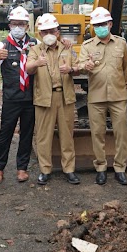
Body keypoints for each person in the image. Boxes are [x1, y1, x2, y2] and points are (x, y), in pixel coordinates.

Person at [78, 7, 127, 186]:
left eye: (102, 24)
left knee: (121, 134)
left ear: (110, 24)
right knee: (97, 134)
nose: (100, 27)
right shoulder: (87, 46)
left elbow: (126, 68)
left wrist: (126, 89)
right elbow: (79, 66)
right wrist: (86, 65)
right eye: (96, 25)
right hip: (96, 96)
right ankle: (100, 168)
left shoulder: (121, 43)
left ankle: (120, 168)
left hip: (118, 96)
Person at [26, 14, 80, 185]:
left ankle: (69, 169)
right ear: (40, 34)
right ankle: (45, 170)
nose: (48, 34)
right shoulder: (35, 50)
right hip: (44, 98)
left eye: (51, 30)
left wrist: (71, 69)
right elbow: (28, 68)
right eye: (44, 32)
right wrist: (36, 63)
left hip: (65, 97)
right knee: (43, 136)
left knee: (67, 135)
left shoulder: (67, 48)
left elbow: (79, 68)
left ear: (57, 32)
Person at [0, 6, 37, 185]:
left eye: (22, 24)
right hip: (11, 97)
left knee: (27, 133)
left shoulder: (34, 43)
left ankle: (22, 168)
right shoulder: (3, 44)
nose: (18, 27)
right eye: (15, 24)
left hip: (30, 97)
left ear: (27, 25)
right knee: (5, 133)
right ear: (9, 25)